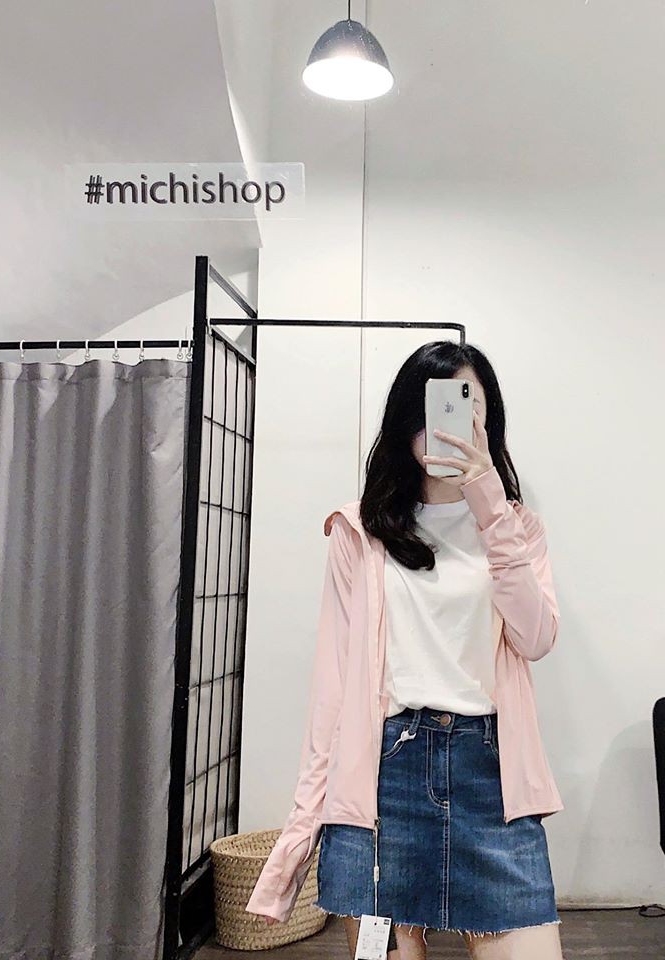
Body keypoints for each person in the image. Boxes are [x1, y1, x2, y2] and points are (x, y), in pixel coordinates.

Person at [246, 341, 565, 960]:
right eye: (431, 411)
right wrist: (305, 824)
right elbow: (334, 689)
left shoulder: (517, 529)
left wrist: (487, 500)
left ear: (488, 423)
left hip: (490, 776)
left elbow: (536, 638)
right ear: (404, 422)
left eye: (465, 409)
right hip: (383, 780)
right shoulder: (359, 532)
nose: (444, 428)